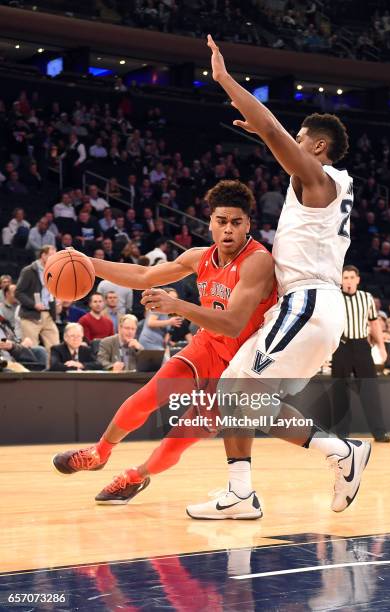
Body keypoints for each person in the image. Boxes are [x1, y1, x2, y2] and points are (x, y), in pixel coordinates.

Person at [179, 35, 370, 518]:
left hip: (307, 304)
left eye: (301, 138)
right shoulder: (324, 186)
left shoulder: (320, 178)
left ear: (318, 146)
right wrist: (266, 131)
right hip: (307, 310)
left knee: (239, 393)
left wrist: (224, 79)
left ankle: (341, 451)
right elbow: (272, 133)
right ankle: (241, 494)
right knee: (237, 395)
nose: (295, 142)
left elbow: (269, 126)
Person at [52, 180, 276, 516]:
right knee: (147, 396)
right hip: (208, 346)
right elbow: (144, 275)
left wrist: (178, 305)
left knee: (178, 437)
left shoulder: (257, 261)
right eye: (221, 221)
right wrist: (89, 264)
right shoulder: (199, 256)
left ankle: (134, 477)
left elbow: (232, 323)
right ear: (210, 222)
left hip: (240, 365)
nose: (228, 230)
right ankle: (100, 453)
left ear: (248, 224)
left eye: (236, 222)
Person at [331, 265, 390, 443]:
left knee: (370, 389)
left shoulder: (367, 298)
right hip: (341, 346)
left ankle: (379, 432)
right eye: (345, 277)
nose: (348, 281)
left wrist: (382, 346)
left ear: (358, 279)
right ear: (341, 280)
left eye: (351, 277)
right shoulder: (335, 297)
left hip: (361, 345)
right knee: (340, 391)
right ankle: (341, 433)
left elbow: (374, 324)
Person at [15, 245, 59, 353]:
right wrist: (33, 304)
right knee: (32, 349)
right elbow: (18, 292)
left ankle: (53, 369)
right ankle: (32, 369)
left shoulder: (54, 272)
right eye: (51, 256)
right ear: (43, 255)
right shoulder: (29, 271)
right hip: (31, 316)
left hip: (48, 315)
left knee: (55, 347)